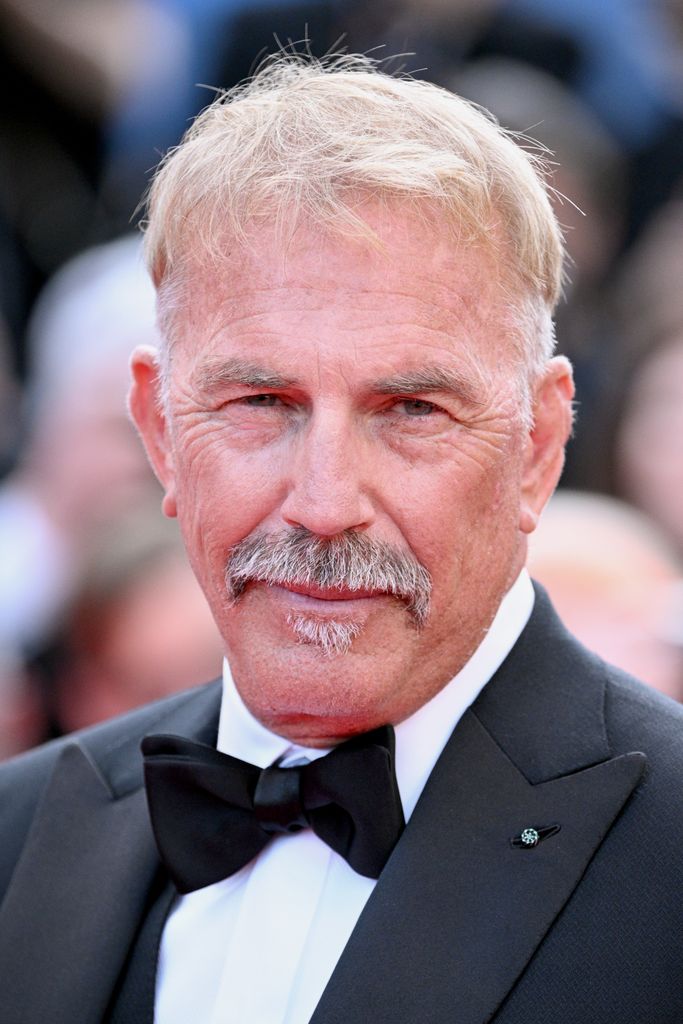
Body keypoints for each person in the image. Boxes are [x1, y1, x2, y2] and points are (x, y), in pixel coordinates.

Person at [1, 54, 682, 1024]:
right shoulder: (20, 842)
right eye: (260, 402)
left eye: (408, 408)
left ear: (536, 446)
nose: (323, 503)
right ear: (158, 431)